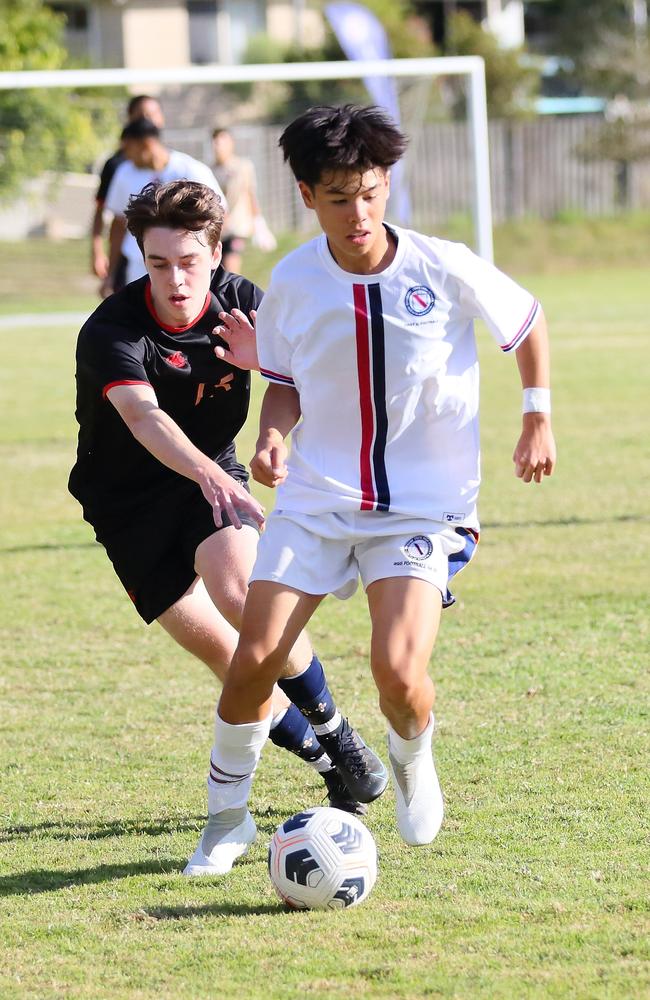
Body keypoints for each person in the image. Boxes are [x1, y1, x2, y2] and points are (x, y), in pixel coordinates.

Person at [191, 104, 556, 868]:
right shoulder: (292, 280)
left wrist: (536, 416)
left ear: (387, 183)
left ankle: (412, 762)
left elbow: (525, 324)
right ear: (306, 196)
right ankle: (226, 821)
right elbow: (283, 378)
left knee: (396, 670)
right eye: (337, 198)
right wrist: (270, 431)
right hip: (319, 498)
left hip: (422, 505)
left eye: (368, 192)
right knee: (254, 654)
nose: (357, 214)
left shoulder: (443, 265)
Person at [69, 179, 387, 877]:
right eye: (158, 264)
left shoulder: (246, 304)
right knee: (220, 651)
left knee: (248, 600)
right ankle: (316, 753)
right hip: (126, 503)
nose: (175, 279)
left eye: (189, 261)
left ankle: (340, 738)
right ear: (140, 261)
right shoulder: (111, 330)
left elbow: (299, 376)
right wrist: (210, 475)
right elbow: (146, 420)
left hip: (212, 472)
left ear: (216, 253)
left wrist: (270, 431)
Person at [99, 120, 225, 299]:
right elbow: (118, 223)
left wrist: (200, 255)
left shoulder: (191, 169)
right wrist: (110, 275)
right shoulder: (124, 173)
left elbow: (217, 215)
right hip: (139, 265)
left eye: (129, 149)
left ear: (146, 144)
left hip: (186, 265)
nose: (126, 156)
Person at [90, 94, 165, 287]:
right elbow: (109, 213)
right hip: (130, 255)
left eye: (153, 114)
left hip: (170, 254)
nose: (148, 119)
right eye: (143, 114)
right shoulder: (118, 166)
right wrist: (98, 251)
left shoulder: (180, 164)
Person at [212, 126, 276, 274]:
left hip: (237, 226)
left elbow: (250, 194)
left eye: (222, 141)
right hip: (219, 228)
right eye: (216, 142)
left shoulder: (242, 166)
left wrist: (259, 223)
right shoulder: (212, 170)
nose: (218, 146)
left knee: (231, 271)